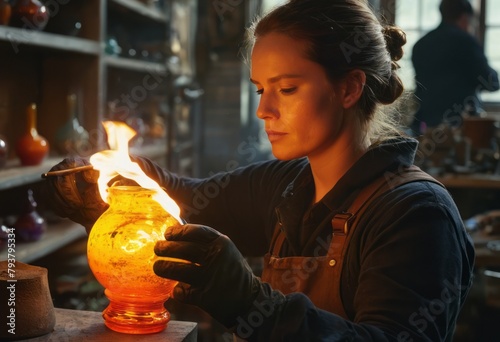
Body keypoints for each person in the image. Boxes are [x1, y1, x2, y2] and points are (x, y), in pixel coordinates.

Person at [45, 0, 475, 340]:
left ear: (348, 87)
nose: (264, 110)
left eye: (287, 89)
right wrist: (115, 183)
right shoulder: (287, 184)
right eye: (260, 89)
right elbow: (187, 203)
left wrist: (250, 303)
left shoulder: (415, 214)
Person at [410, 0, 499, 135]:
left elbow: (419, 89)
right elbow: (492, 83)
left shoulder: (421, 45)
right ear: (465, 17)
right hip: (461, 129)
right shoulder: (466, 43)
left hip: (425, 126)